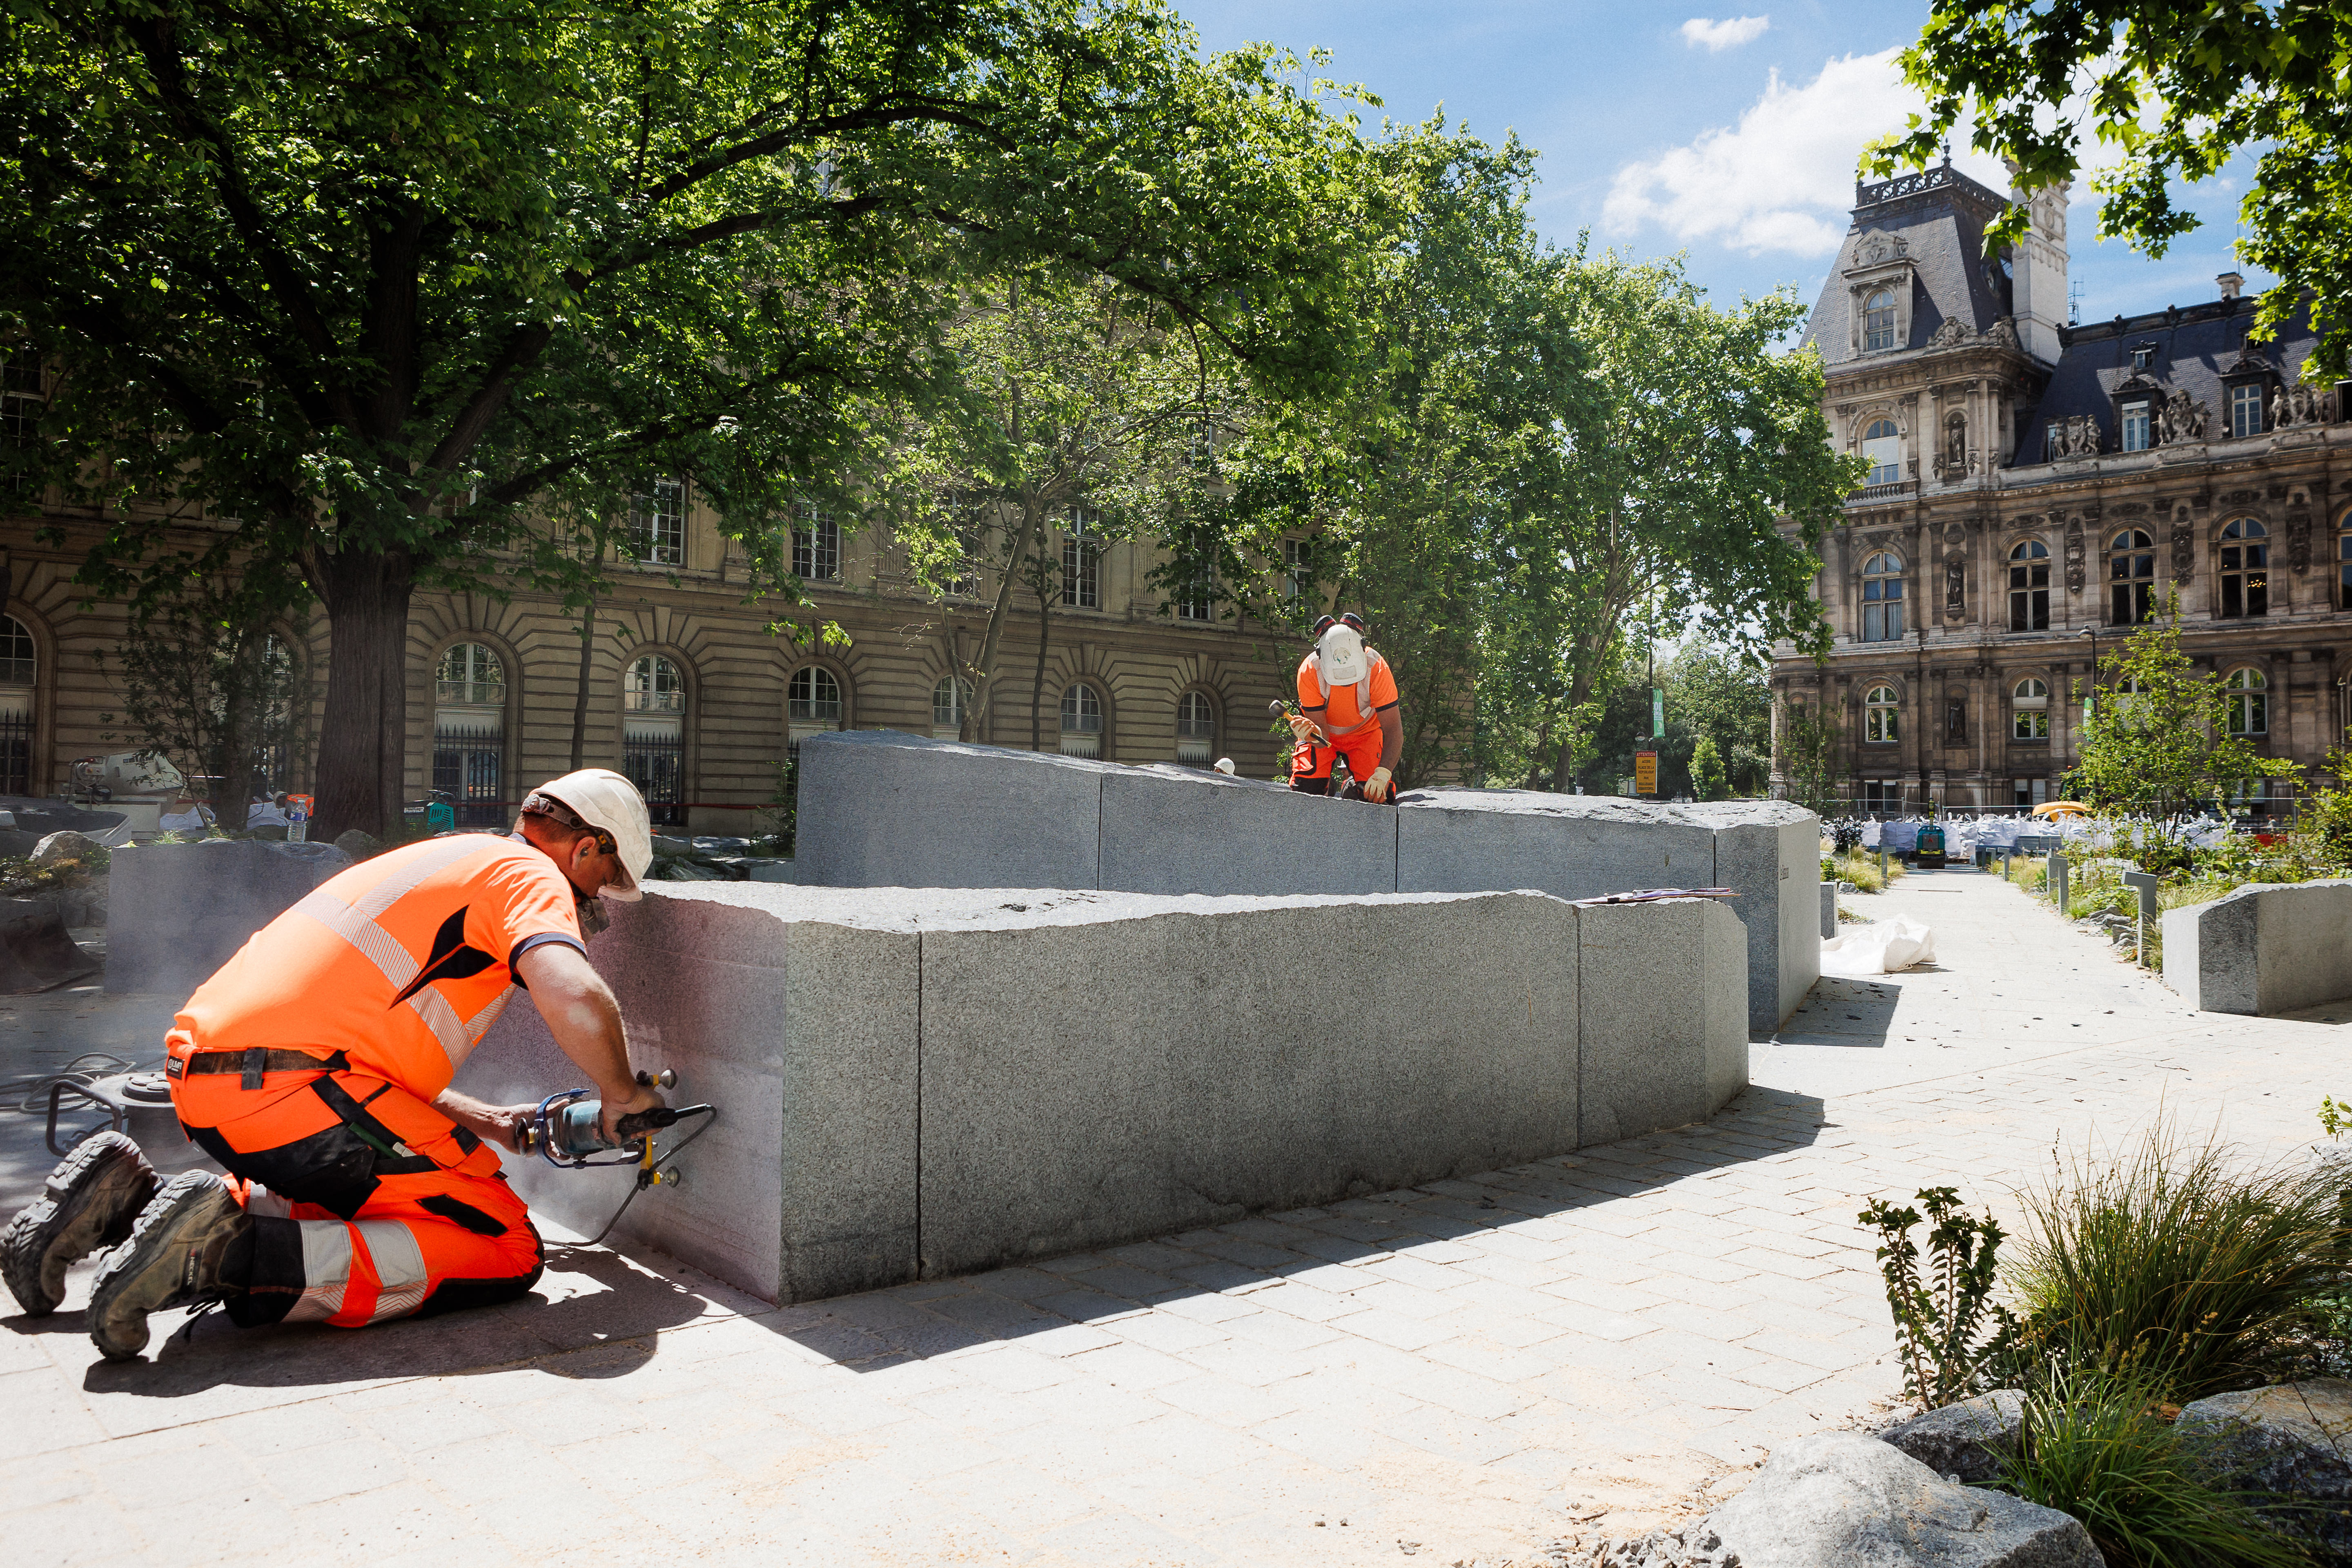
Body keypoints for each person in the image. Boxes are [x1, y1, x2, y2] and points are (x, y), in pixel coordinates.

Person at [0, 768, 664, 1361]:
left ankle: (126, 1200)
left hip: (205, 1080)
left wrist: (488, 1121)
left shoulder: (448, 858)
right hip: (299, 1094)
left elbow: (362, 1060)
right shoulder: (530, 876)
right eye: (603, 883)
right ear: (584, 848)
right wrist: (620, 1093)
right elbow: (573, 990)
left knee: (382, 1199)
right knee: (501, 1243)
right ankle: (229, 1254)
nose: (596, 905)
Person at [1287, 612, 1403, 802]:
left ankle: (1351, 788)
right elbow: (1321, 736)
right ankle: (1326, 786)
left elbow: (1393, 729)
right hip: (1323, 733)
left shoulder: (1377, 668)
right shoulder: (1309, 671)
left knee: (1378, 797)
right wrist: (1310, 735)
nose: (1345, 685)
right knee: (1306, 791)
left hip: (1365, 734)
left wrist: (1383, 773)